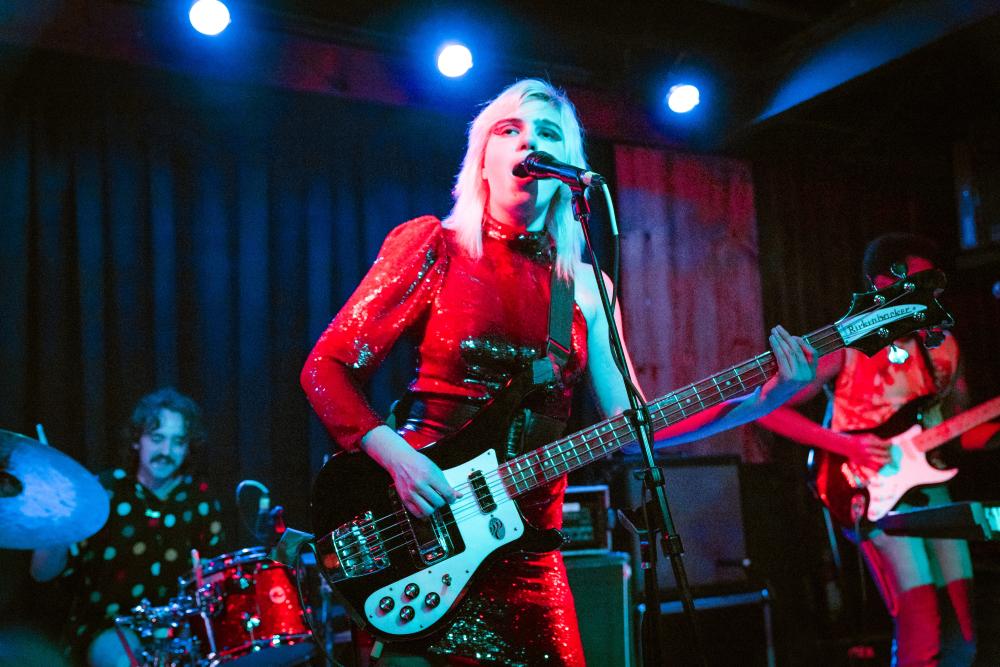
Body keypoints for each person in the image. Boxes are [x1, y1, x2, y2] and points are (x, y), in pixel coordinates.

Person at [300, 77, 816, 666]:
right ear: (484, 159)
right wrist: (397, 456)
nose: (528, 143)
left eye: (547, 134)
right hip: (422, 536)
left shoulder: (588, 287)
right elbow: (326, 368)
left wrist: (761, 402)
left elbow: (634, 429)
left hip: (530, 558)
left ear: (566, 168)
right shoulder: (434, 246)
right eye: (509, 129)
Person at [757, 233, 986, 667]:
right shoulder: (848, 345)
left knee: (963, 626)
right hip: (868, 487)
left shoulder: (944, 348)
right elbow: (764, 410)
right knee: (919, 619)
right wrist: (845, 444)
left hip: (932, 483)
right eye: (922, 280)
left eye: (936, 282)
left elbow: (961, 432)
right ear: (882, 282)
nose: (933, 291)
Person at [30, 387, 226, 667]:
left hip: (180, 630)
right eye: (157, 439)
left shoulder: (200, 500)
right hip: (110, 627)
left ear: (188, 447)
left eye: (177, 442)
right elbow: (42, 572)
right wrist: (58, 520)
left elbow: (212, 576)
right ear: (137, 441)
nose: (166, 452)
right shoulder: (103, 492)